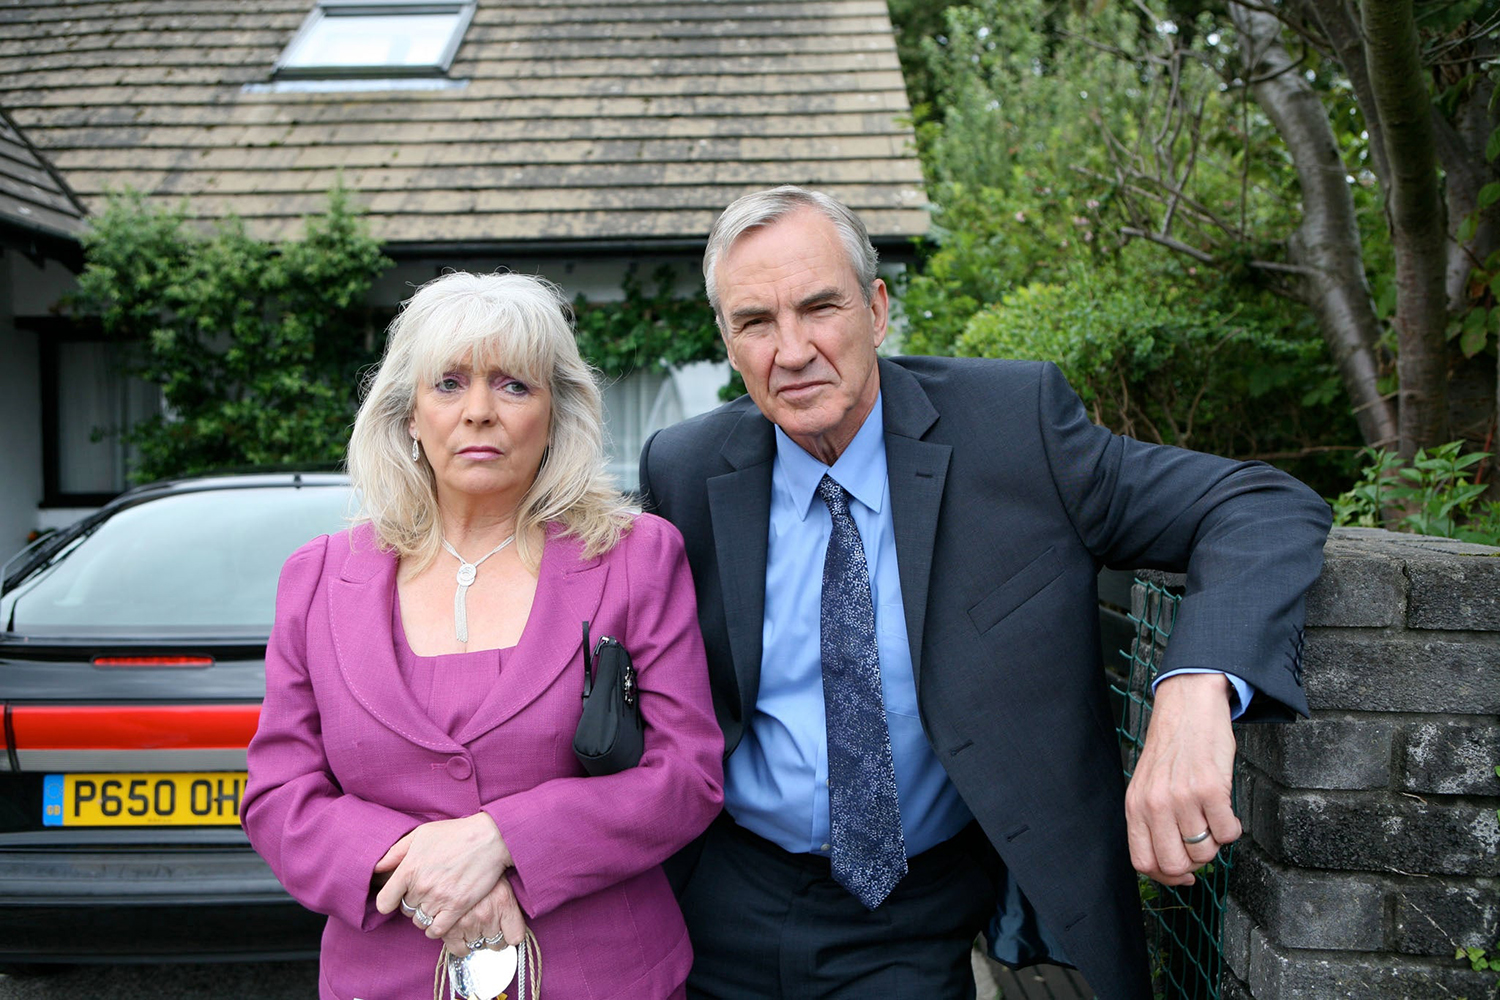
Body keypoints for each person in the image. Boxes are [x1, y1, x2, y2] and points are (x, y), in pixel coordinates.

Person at [638, 187, 1332, 999]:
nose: (791, 351)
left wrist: (1193, 685)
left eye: (819, 307)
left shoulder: (1016, 428)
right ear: (727, 340)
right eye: (755, 321)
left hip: (915, 905)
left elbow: (1258, 503)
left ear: (877, 309)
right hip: (722, 888)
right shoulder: (684, 470)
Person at [244, 271, 724, 1000]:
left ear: (557, 411)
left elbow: (687, 775)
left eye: (513, 386)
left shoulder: (637, 556)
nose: (478, 413)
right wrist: (428, 867)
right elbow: (279, 796)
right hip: (385, 980)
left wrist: (504, 840)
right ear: (408, 414)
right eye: (448, 384)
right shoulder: (316, 580)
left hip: (608, 977)